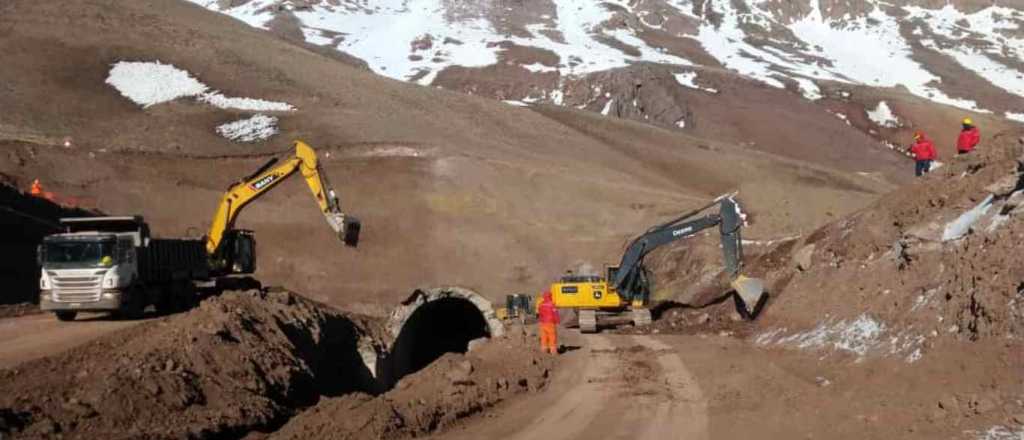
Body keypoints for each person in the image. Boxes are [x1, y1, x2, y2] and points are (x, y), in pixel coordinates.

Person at [536, 290, 560, 354]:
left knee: (544, 336)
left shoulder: (541, 304)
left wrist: (540, 320)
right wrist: (557, 321)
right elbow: (555, 313)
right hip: (550, 323)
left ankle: (544, 350)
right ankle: (553, 351)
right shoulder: (552, 304)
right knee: (552, 336)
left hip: (543, 323)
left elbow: (539, 313)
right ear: (550, 296)